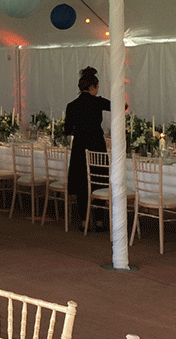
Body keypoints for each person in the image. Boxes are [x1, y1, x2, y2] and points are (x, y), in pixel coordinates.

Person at [63, 67, 113, 230]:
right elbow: (121, 106)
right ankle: (99, 221)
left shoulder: (72, 105)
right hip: (96, 145)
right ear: (93, 87)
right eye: (97, 87)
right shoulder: (98, 102)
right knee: (98, 181)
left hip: (79, 147)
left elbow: (67, 130)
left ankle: (84, 221)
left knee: (81, 183)